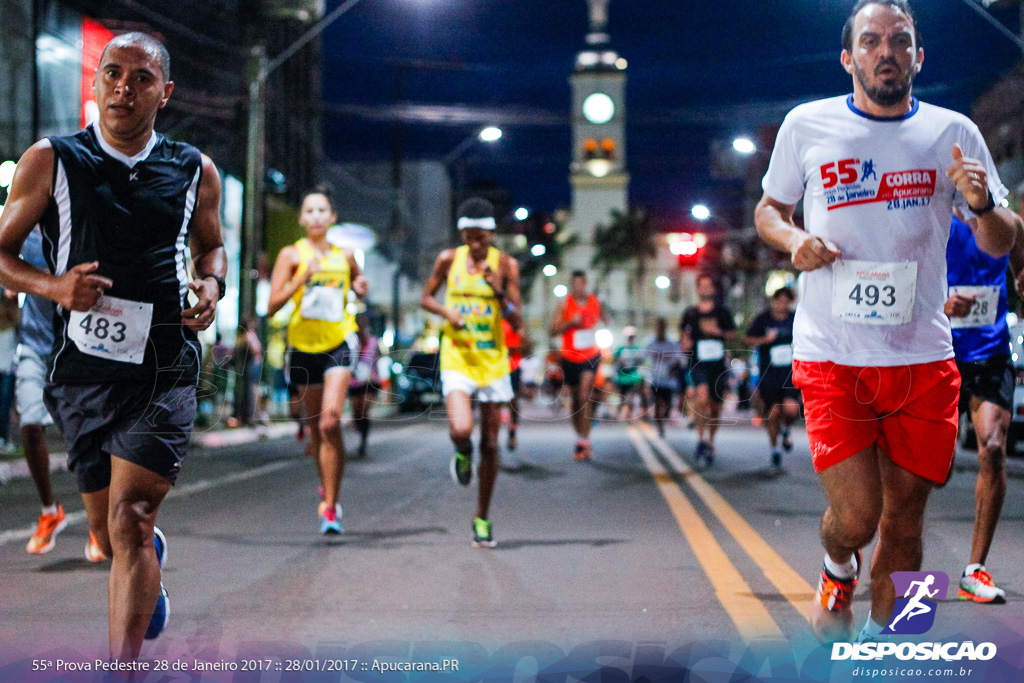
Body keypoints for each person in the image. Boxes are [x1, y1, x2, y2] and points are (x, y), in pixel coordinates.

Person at [753, 0, 1018, 645]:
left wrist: (981, 202)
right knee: (859, 517)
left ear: (918, 57)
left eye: (900, 41)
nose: (886, 52)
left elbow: (1001, 240)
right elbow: (768, 209)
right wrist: (794, 242)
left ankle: (893, 653)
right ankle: (837, 564)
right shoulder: (807, 126)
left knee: (906, 523)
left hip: (922, 360)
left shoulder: (954, 131)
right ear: (849, 58)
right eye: (870, 41)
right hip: (832, 355)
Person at [0, 33, 227, 659]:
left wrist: (211, 286)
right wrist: (53, 286)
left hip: (165, 367)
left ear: (166, 93)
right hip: (82, 372)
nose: (124, 87)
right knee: (104, 531)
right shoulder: (50, 160)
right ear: (96, 82)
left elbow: (212, 246)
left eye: (141, 78)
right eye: (112, 73)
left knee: (130, 518)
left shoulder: (193, 169)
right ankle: (143, 561)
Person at [420, 198, 521, 548]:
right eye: (469, 237)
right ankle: (461, 451)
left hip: (492, 360)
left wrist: (498, 293)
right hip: (458, 357)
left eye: (482, 237)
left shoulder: (506, 265)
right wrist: (448, 315)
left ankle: (481, 518)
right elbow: (426, 298)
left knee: (491, 443)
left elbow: (517, 320)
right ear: (462, 234)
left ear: (492, 234)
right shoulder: (449, 260)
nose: (476, 245)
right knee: (461, 427)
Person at [267, 186, 367, 535]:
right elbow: (271, 306)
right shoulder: (291, 255)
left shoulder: (347, 255)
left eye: (322, 211)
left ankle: (330, 507)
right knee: (314, 430)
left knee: (329, 423)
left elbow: (357, 285)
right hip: (302, 347)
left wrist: (361, 287)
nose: (316, 217)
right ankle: (326, 482)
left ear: (333, 217)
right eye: (309, 211)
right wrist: (301, 277)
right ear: (301, 218)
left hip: (338, 343)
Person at [944, 210, 1024, 604]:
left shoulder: (1005, 224)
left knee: (992, 447)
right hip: (937, 353)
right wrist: (940, 304)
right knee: (927, 468)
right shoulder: (933, 218)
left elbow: (1019, 247)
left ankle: (974, 570)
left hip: (991, 354)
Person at [680, 274, 737, 465]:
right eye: (701, 286)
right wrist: (685, 342)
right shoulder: (691, 313)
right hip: (698, 362)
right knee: (701, 398)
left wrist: (718, 332)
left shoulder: (722, 312)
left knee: (715, 407)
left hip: (717, 364)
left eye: (708, 286)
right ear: (697, 289)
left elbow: (733, 334)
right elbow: (683, 334)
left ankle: (711, 441)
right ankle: (701, 439)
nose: (705, 289)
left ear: (713, 289)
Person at [744, 286, 800, 469]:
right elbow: (748, 339)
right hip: (768, 374)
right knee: (773, 413)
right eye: (778, 300)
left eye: (785, 301)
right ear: (773, 301)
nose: (781, 304)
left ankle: (787, 428)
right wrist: (765, 340)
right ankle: (774, 449)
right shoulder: (763, 319)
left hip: (790, 374)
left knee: (791, 409)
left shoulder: (795, 319)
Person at [551, 271, 604, 460]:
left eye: (582, 284)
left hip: (590, 354)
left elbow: (603, 320)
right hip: (570, 356)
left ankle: (585, 440)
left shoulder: (594, 301)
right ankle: (579, 435)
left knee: (584, 396)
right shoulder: (564, 304)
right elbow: (553, 329)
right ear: (572, 285)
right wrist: (569, 322)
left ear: (586, 284)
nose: (579, 287)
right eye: (575, 284)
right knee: (575, 400)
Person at [348, 313, 382, 458]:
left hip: (370, 381)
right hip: (354, 382)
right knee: (356, 412)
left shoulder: (374, 342)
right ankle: (359, 427)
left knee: (364, 409)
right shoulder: (351, 342)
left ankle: (363, 442)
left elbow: (379, 357)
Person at [644, 318, 681, 438]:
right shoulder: (650, 342)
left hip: (668, 380)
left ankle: (664, 419)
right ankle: (659, 426)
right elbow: (642, 356)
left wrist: (673, 368)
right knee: (657, 403)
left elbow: (678, 358)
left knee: (668, 405)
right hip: (655, 379)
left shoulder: (671, 343)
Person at [501, 317, 526, 452]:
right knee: (495, 402)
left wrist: (512, 348)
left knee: (513, 400)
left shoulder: (515, 321)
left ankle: (512, 431)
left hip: (513, 367)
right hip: (494, 367)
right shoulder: (491, 318)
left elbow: (527, 345)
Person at [612, 326, 646, 420]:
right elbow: (614, 361)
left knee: (631, 395)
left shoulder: (637, 349)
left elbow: (642, 361)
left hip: (632, 376)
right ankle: (620, 411)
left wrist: (637, 360)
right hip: (622, 377)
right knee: (622, 397)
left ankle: (629, 414)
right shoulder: (621, 349)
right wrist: (620, 361)